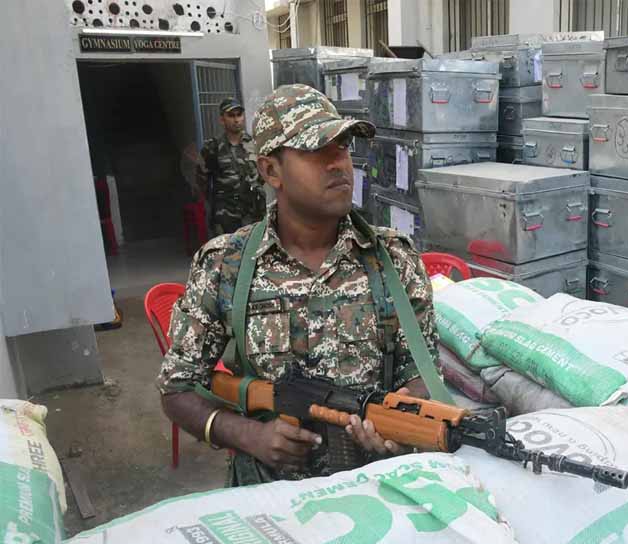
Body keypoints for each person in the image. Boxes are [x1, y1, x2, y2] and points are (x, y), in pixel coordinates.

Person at [158, 84, 437, 485]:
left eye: (342, 147)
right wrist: (247, 434)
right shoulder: (224, 265)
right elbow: (176, 389)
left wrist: (400, 420)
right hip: (268, 498)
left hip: (377, 489)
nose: (339, 164)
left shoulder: (395, 260)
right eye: (317, 150)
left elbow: (423, 373)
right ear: (271, 171)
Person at [198, 98, 267, 235]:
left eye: (239, 115)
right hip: (226, 216)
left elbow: (264, 173)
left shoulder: (255, 144)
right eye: (231, 115)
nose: (236, 120)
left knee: (255, 247)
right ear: (222, 119)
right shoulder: (212, 148)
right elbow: (202, 181)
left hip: (253, 214)